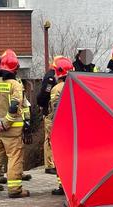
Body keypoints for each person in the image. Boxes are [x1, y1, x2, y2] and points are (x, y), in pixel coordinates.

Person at [0, 49, 30, 198]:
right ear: (15, 68)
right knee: (14, 157)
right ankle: (15, 190)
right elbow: (14, 106)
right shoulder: (15, 84)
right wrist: (6, 123)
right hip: (12, 130)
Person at [45, 56, 74, 195]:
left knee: (60, 156)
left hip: (61, 127)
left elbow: (55, 108)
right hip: (73, 126)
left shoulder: (56, 89)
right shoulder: (75, 84)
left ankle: (62, 186)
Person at [37, 66, 57, 175]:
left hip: (51, 111)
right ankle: (49, 165)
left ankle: (51, 163)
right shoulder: (50, 78)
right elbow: (44, 95)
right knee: (49, 139)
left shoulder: (51, 76)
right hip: (50, 112)